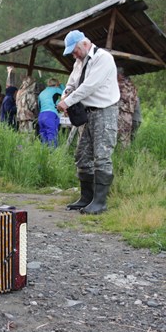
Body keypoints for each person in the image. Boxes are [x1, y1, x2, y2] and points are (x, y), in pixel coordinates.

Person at [57, 30, 120, 215]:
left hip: (104, 112)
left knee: (102, 156)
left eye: (75, 50)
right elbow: (71, 83)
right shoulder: (79, 63)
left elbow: (89, 86)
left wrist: (67, 102)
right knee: (82, 155)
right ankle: (86, 198)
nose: (73, 55)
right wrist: (65, 94)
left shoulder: (103, 58)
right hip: (87, 114)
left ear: (85, 44)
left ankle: (100, 202)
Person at [37, 77, 64, 146]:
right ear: (56, 84)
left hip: (41, 116)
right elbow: (65, 93)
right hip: (50, 115)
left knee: (43, 137)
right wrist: (61, 85)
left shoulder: (42, 93)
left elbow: (39, 106)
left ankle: (44, 155)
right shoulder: (56, 89)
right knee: (52, 136)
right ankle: (53, 155)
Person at [117, 71, 138, 148]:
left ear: (120, 75)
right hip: (129, 115)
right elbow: (135, 100)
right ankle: (125, 156)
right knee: (125, 137)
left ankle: (116, 156)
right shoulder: (133, 86)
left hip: (121, 113)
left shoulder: (119, 85)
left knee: (115, 135)